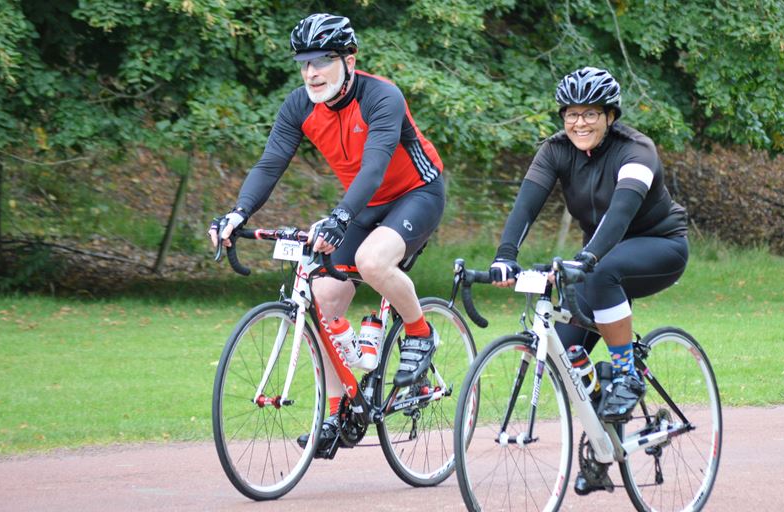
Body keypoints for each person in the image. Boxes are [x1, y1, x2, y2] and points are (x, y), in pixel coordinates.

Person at [209, 13, 445, 457]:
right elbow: (270, 163)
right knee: (322, 296)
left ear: (349, 60)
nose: (311, 72)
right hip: (364, 203)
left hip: (417, 192)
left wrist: (338, 217)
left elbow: (374, 165)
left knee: (373, 262)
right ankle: (339, 411)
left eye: (323, 61)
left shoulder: (382, 96)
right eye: (304, 63)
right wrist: (238, 213)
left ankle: (419, 331)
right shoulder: (299, 105)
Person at [488, 66, 688, 489]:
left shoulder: (637, 151)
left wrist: (588, 257)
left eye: (590, 113)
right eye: (571, 114)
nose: (579, 122)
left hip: (659, 245)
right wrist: (505, 256)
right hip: (597, 255)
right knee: (566, 360)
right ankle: (601, 445)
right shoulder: (555, 150)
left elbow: (619, 216)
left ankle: (627, 373)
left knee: (600, 272)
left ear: (610, 116)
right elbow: (525, 207)